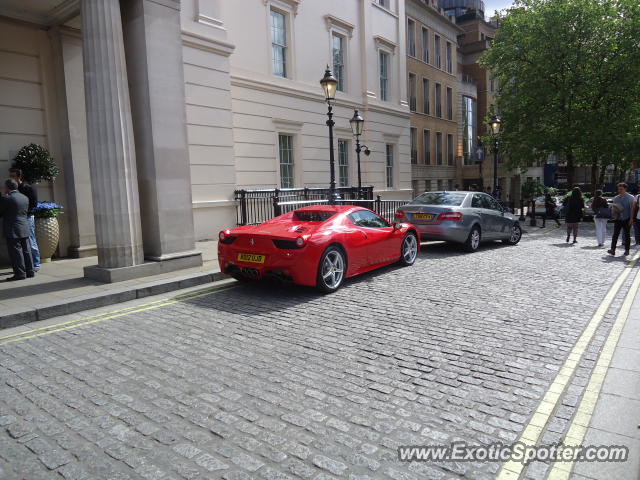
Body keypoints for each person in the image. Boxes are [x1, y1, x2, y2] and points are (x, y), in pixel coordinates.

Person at [0, 179, 35, 281]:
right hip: (24, 226)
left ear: (7, 187)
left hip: (12, 228)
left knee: (16, 252)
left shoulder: (6, 198)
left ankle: (20, 274)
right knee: (26, 250)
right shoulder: (24, 197)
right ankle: (30, 271)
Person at [9, 168, 40, 271]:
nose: (11, 178)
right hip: (18, 219)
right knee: (22, 243)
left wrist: (25, 212)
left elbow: (34, 203)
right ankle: (28, 265)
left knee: (31, 240)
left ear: (19, 177)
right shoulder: (13, 189)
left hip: (27, 217)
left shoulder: (27, 187)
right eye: (10, 176)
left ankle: (36, 264)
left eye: (13, 176)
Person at [608, 182, 636, 257]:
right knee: (615, 234)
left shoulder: (631, 197)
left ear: (625, 189)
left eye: (621, 189)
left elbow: (632, 209)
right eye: (618, 189)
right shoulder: (616, 198)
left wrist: (631, 219)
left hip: (627, 218)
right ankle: (612, 249)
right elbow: (615, 208)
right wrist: (614, 215)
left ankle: (627, 250)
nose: (619, 190)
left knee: (627, 235)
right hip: (618, 219)